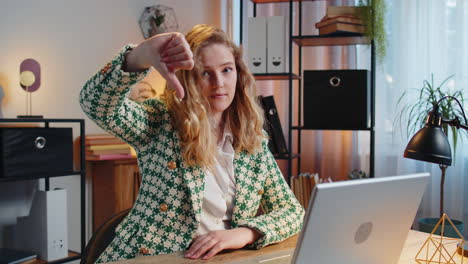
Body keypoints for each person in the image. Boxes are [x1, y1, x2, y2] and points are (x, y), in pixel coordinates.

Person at [80, 24, 304, 263]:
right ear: (187, 78)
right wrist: (139, 56)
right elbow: (95, 103)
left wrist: (243, 233)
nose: (219, 82)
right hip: (153, 258)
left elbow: (292, 212)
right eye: (205, 73)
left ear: (238, 74)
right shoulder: (159, 122)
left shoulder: (252, 138)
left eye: (226, 70)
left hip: (224, 258)